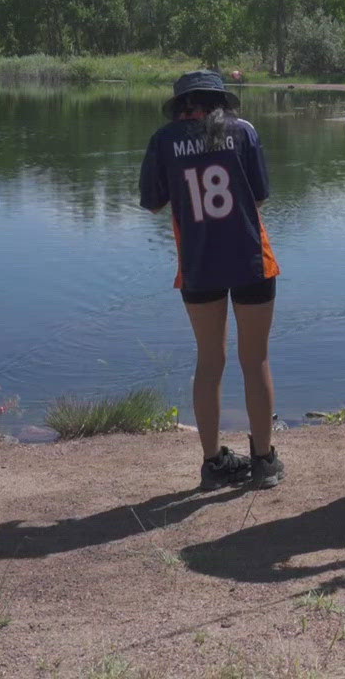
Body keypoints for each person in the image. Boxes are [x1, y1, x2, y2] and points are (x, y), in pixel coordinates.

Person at [138, 71, 284, 490]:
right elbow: (257, 195)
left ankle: (212, 462)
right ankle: (263, 461)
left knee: (210, 361)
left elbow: (152, 203)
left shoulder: (163, 140)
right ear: (221, 101)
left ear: (182, 104)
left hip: (199, 265)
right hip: (252, 259)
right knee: (255, 360)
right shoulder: (244, 132)